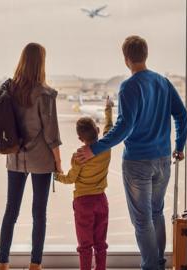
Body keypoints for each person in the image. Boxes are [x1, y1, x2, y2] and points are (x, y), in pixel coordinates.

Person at [75, 35, 187, 270]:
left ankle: (151, 266)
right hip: (163, 160)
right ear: (145, 55)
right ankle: (157, 263)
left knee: (142, 219)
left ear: (126, 59)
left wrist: (95, 148)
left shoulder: (129, 86)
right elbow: (182, 115)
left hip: (138, 162)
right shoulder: (163, 83)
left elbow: (124, 128)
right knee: (156, 213)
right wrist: (180, 145)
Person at [0, 43, 62, 270]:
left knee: (10, 211)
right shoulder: (45, 94)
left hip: (14, 157)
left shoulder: (9, 90)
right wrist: (58, 161)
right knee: (39, 214)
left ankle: (2, 263)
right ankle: (35, 265)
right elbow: (51, 133)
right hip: (41, 159)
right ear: (41, 62)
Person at [54, 97, 114, 270]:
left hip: (83, 203)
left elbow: (71, 178)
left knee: (85, 245)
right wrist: (108, 109)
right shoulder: (106, 147)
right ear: (97, 129)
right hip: (101, 201)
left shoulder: (79, 156)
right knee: (100, 243)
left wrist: (57, 176)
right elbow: (109, 128)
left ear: (80, 138)